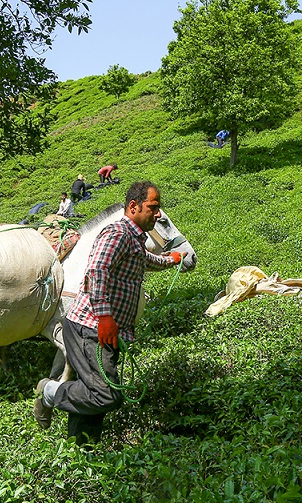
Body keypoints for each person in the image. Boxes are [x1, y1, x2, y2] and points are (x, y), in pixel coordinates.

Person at [33, 181, 186, 446]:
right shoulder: (117, 232)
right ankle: (48, 391)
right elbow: (97, 271)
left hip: (104, 331)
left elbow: (147, 261)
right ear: (133, 206)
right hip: (90, 328)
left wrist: (171, 259)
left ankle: (82, 450)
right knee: (107, 394)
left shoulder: (135, 239)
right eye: (153, 207)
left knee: (93, 397)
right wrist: (104, 318)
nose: (158, 214)